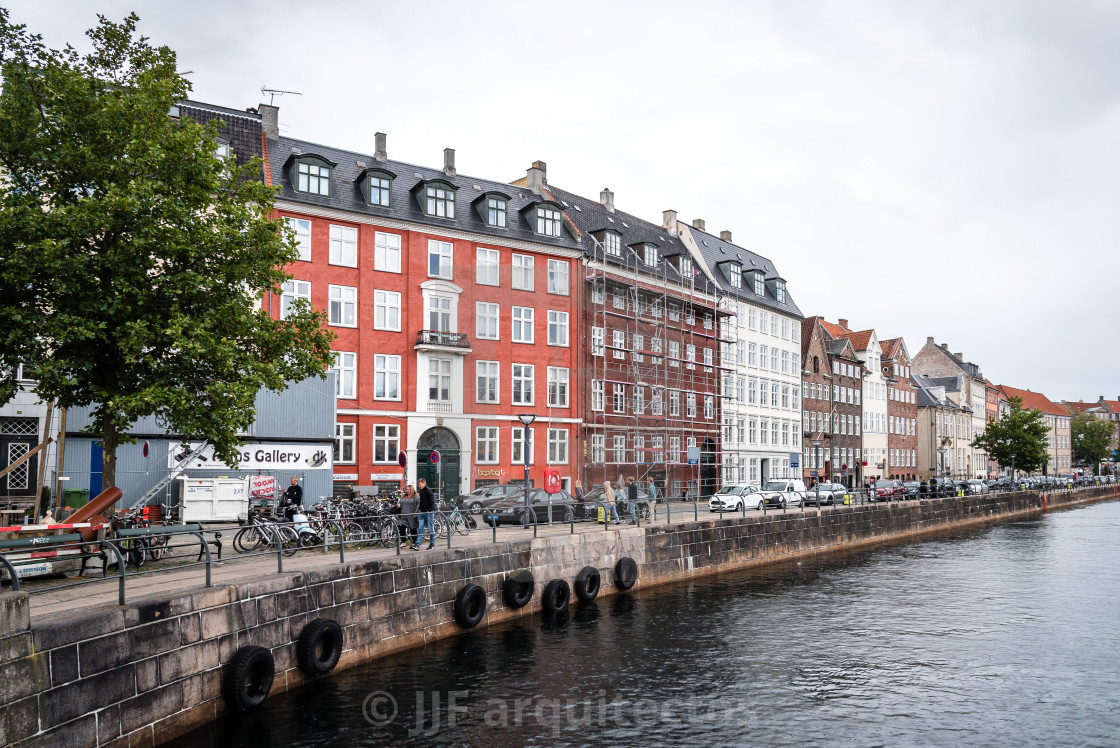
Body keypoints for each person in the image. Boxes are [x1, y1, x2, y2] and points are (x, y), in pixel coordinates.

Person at [416, 478, 435, 550]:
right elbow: (421, 501)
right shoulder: (421, 490)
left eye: (420, 484)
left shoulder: (428, 490)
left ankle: (432, 544)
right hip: (422, 512)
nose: (419, 486)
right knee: (420, 528)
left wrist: (429, 510)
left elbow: (432, 501)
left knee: (430, 529)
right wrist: (420, 509)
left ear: (424, 483)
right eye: (418, 484)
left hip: (428, 513)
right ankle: (417, 544)